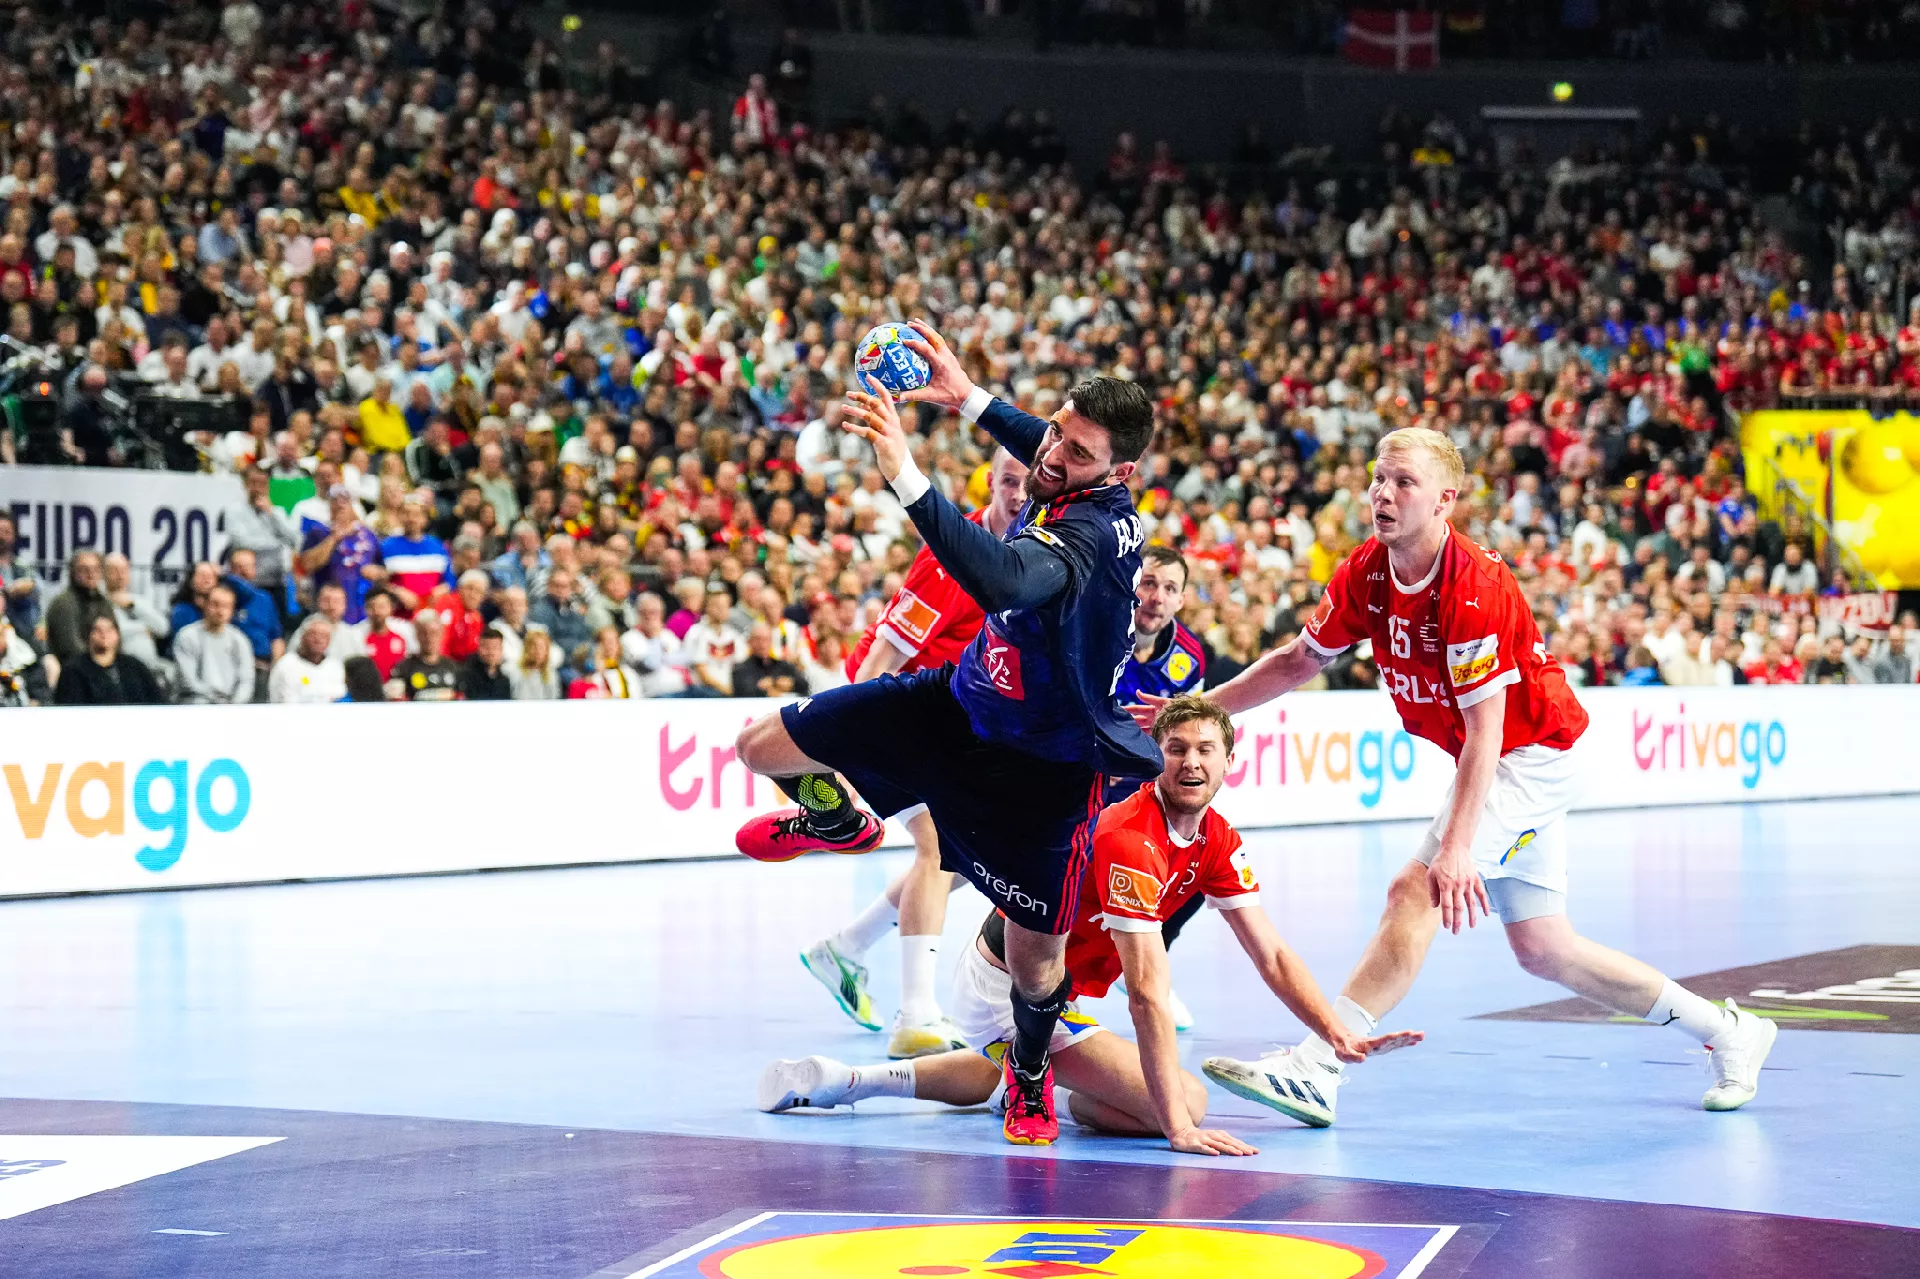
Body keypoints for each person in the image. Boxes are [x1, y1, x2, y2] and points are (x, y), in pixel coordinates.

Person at [1160, 427, 1775, 1124]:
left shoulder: (1473, 585)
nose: (1383, 493)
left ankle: (1316, 1067)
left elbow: (1489, 732)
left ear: (1444, 500)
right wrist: (1202, 708)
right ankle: (1730, 1031)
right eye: (1379, 478)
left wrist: (1455, 850)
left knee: (1414, 890)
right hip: (1504, 755)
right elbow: (1299, 660)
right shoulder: (1367, 569)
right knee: (1545, 948)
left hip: (1536, 753)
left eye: (1404, 482)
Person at [733, 321, 1162, 1147]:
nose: (1051, 456)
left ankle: (1027, 1076)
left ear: (1120, 474)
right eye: (1057, 432)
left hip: (1042, 774)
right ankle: (836, 816)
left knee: (1035, 966)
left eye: (1076, 451)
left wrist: (906, 471)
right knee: (760, 746)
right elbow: (1043, 441)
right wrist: (968, 398)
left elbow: (1001, 578)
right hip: (956, 708)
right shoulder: (1068, 468)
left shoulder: (1087, 536)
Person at [759, 698, 1420, 1153]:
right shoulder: (1132, 836)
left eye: (1205, 750)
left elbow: (1270, 953)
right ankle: (1031, 1076)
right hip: (1009, 984)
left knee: (1020, 1070)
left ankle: (844, 1081)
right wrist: (1177, 1128)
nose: (1191, 762)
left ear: (1230, 762)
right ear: (1155, 757)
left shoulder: (1216, 836)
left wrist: (1333, 1032)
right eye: (1176, 749)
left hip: (1048, 988)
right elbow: (1147, 993)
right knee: (1185, 1100)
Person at [798, 448, 1028, 1060]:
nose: (1019, 494)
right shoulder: (954, 555)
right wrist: (842, 745)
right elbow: (883, 657)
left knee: (966, 858)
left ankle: (845, 948)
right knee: (940, 848)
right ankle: (917, 1014)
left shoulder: (1030, 554)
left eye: (1031, 484)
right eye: (1009, 481)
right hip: (892, 710)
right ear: (990, 482)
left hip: (951, 725)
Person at [1107, 542, 1208, 1029]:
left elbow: (1192, 734)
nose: (1156, 597)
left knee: (1198, 868)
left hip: (1143, 790)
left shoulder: (1189, 657)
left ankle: (1148, 969)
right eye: (1148, 583)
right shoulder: (1101, 630)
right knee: (951, 868)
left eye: (1170, 588)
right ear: (1132, 585)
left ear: (1181, 600)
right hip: (1084, 780)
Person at [54, 614, 165, 705]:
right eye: (97, 630)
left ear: (117, 634)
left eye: (109, 629)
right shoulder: (73, 670)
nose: (104, 634)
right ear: (88, 635)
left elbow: (157, 701)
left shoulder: (134, 666)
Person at [174, 583, 255, 704]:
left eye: (227, 606)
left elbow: (246, 680)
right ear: (205, 604)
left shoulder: (240, 639)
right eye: (215, 604)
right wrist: (218, 702)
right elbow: (188, 681)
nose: (220, 611)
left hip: (231, 706)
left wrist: (235, 705)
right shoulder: (187, 636)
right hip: (195, 704)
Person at [43, 550, 115, 666]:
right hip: (73, 668)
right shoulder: (63, 604)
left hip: (104, 663)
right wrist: (98, 664)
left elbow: (115, 638)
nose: (91, 574)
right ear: (73, 572)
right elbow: (70, 648)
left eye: (96, 569)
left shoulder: (103, 602)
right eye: (84, 569)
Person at [269, 615, 348, 703]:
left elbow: (339, 698)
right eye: (313, 635)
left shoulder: (335, 667)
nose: (318, 640)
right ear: (302, 637)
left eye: (324, 636)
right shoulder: (285, 665)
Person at [391, 610, 459, 701]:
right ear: (416, 635)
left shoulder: (453, 667)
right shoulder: (404, 668)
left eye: (433, 632)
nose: (429, 638)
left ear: (441, 634)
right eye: (424, 633)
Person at [731, 621, 808, 697]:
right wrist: (769, 690)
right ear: (750, 642)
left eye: (766, 639)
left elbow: (804, 686)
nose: (762, 644)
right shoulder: (740, 669)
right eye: (758, 639)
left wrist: (791, 684)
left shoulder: (784, 666)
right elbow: (744, 691)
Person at [509, 624, 562, 700]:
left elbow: (554, 700)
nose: (538, 651)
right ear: (526, 649)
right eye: (534, 647)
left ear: (547, 651)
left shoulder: (552, 674)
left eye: (541, 647)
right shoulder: (515, 672)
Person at [458, 626, 513, 700]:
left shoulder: (505, 681)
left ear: (501, 650)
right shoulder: (466, 677)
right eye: (486, 647)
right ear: (478, 648)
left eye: (495, 647)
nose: (490, 652)